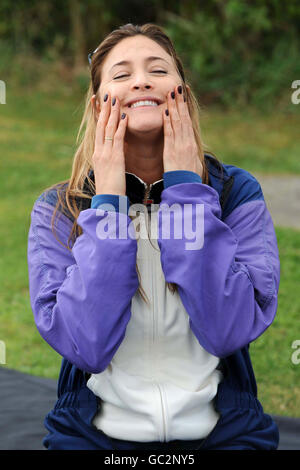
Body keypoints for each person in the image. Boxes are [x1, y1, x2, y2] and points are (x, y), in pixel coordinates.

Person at [27, 23, 280, 451]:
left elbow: (227, 330)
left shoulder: (236, 193)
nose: (141, 80)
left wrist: (185, 191)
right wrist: (107, 204)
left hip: (224, 434)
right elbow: (86, 346)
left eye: (158, 70)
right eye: (121, 74)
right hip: (94, 438)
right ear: (96, 105)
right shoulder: (58, 208)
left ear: (182, 93)